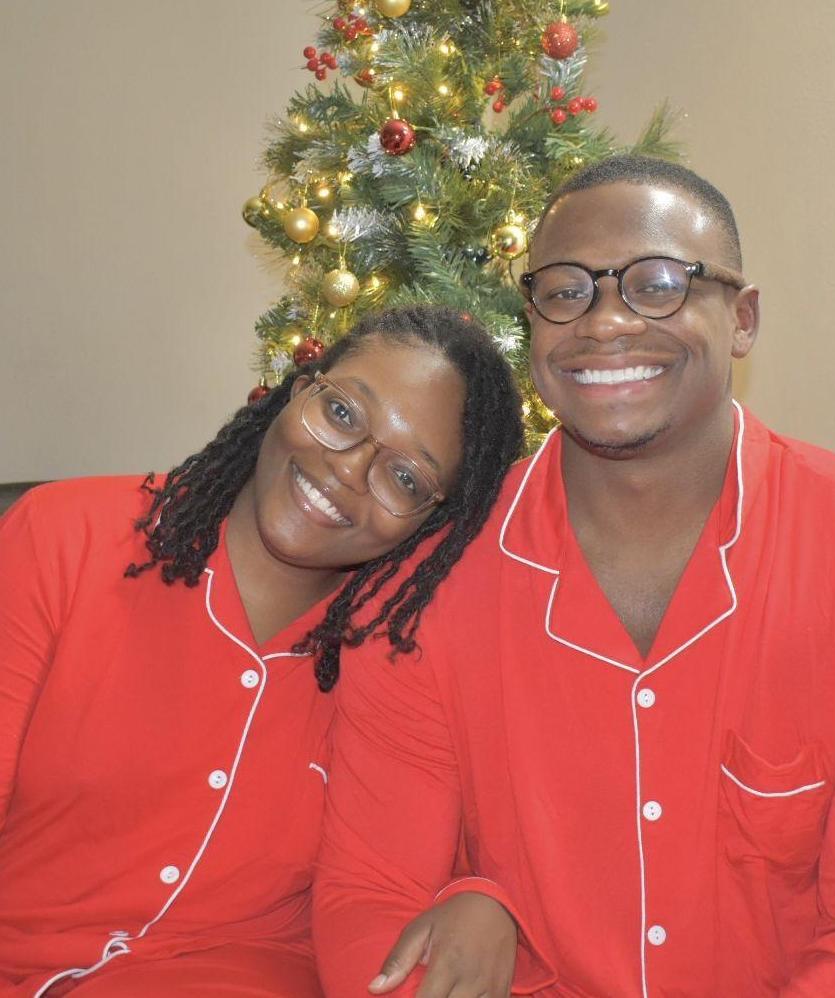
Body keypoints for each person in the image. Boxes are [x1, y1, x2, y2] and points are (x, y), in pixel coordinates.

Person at [312, 157, 835, 996]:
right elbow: (372, 901)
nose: (604, 323)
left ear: (742, 318)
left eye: (660, 284)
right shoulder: (423, 591)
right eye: (565, 292)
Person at [0, 306, 525, 997]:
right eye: (342, 413)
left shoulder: (398, 662)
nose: (348, 470)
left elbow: (426, 862)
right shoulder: (64, 537)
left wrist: (481, 897)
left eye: (405, 478)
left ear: (436, 524)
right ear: (296, 389)